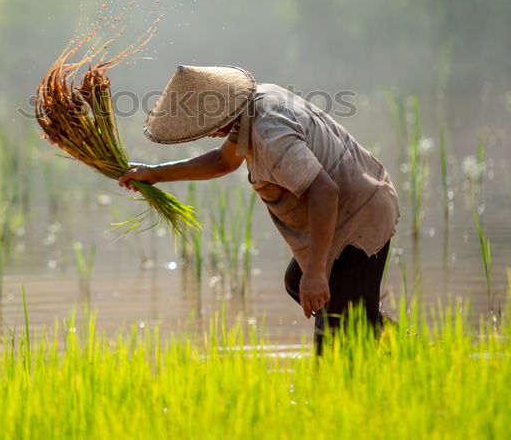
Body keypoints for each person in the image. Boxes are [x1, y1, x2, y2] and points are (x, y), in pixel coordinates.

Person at [119, 65, 399, 353]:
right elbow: (223, 161)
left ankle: (355, 366)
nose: (210, 133)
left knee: (334, 335)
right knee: (300, 285)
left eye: (209, 125)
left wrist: (315, 271)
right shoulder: (254, 103)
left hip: (361, 217)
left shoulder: (269, 133)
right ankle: (397, 347)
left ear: (223, 112)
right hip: (350, 206)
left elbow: (324, 192)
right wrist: (154, 174)